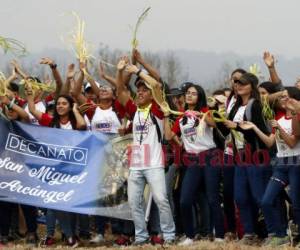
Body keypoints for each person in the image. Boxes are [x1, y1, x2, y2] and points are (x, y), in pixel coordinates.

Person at [115, 58, 175, 246]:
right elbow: (120, 92)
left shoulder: (157, 109)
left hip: (154, 164)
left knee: (161, 200)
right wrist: (119, 72)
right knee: (133, 203)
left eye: (144, 90)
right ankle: (141, 237)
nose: (140, 93)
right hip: (136, 165)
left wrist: (137, 71)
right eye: (138, 90)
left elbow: (157, 84)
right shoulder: (134, 110)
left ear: (151, 95)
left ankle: (169, 235)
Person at [26, 84, 86, 247]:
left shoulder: (74, 123)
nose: (60, 106)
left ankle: (71, 234)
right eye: (58, 103)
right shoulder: (49, 121)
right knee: (55, 203)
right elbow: (32, 110)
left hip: (73, 170)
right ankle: (69, 236)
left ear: (70, 106)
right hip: (54, 171)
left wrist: (75, 110)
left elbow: (82, 126)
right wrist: (30, 95)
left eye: (64, 104)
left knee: (69, 204)